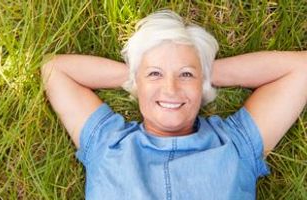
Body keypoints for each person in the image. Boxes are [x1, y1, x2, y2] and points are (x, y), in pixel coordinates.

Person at [41, 10, 307, 199]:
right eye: (156, 74)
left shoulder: (236, 145)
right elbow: (55, 70)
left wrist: (202, 73)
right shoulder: (107, 143)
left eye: (185, 75)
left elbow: (302, 68)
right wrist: (138, 75)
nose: (170, 89)